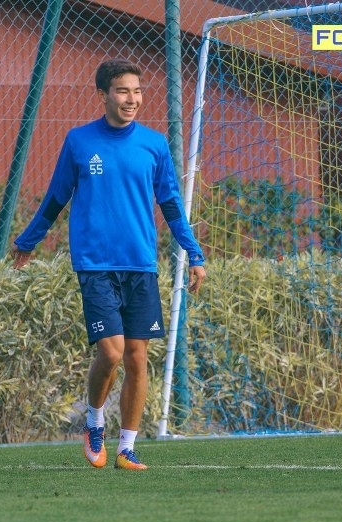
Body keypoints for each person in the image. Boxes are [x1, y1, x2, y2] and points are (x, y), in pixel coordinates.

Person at [12, 59, 206, 470]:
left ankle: (127, 447)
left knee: (137, 357)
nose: (132, 99)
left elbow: (172, 205)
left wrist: (194, 253)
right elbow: (56, 197)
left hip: (141, 265)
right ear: (103, 95)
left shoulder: (154, 145)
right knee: (112, 352)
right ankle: (95, 422)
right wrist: (28, 240)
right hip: (96, 264)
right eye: (122, 91)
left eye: (137, 91)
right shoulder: (79, 141)